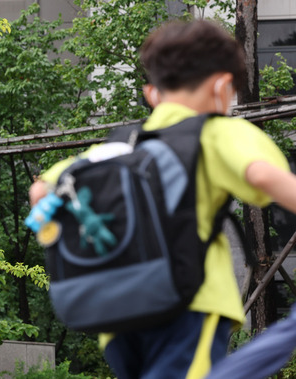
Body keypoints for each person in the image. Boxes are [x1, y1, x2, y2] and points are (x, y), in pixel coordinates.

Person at [29, 19, 296, 379]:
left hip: (116, 315)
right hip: (189, 304)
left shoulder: (117, 147)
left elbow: (39, 191)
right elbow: (264, 177)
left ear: (152, 93)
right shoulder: (219, 132)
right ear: (222, 85)